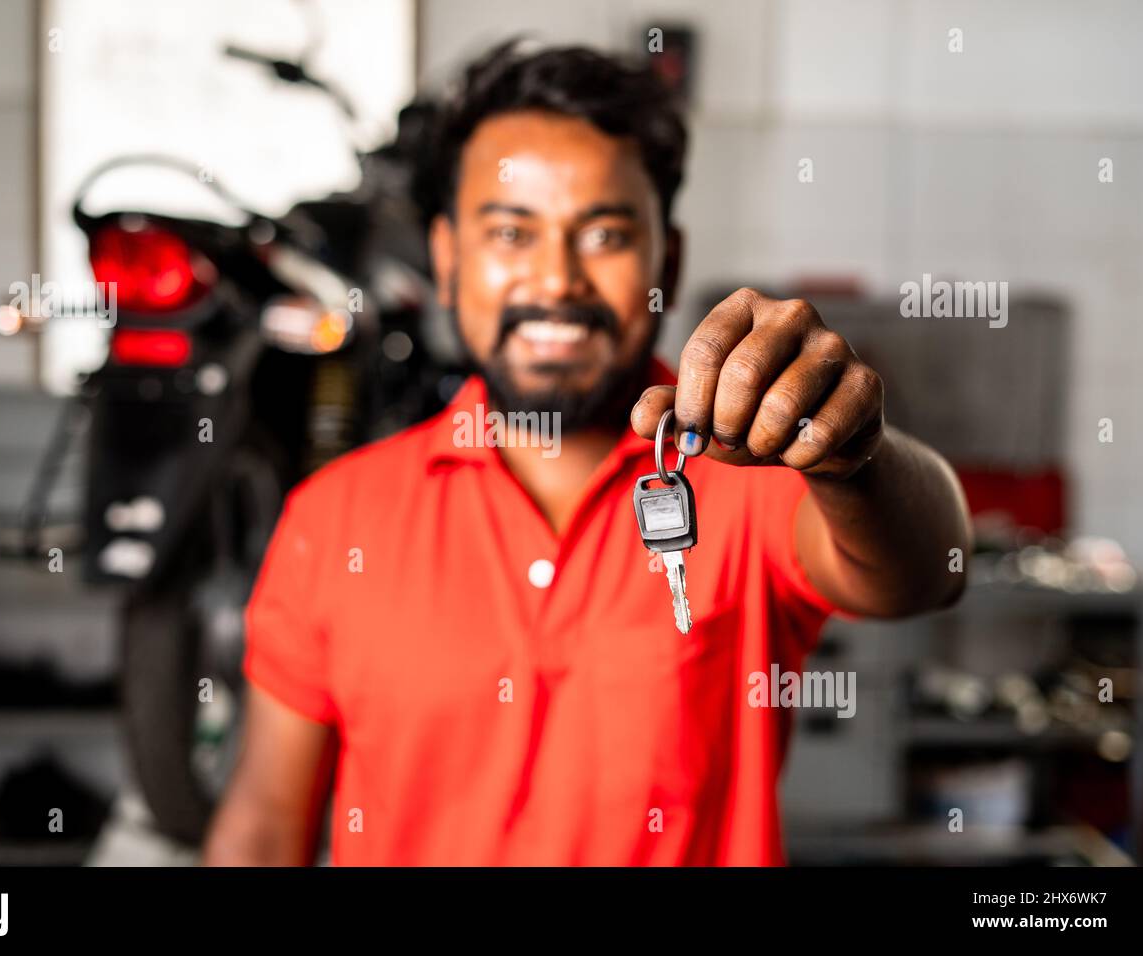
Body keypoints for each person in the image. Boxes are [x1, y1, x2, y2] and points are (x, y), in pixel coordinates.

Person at [202, 40, 970, 866]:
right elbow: (262, 828)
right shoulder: (335, 517)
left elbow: (932, 568)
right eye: (511, 233)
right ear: (449, 260)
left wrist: (854, 459)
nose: (557, 280)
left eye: (603, 235)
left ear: (666, 263)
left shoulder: (755, 480)